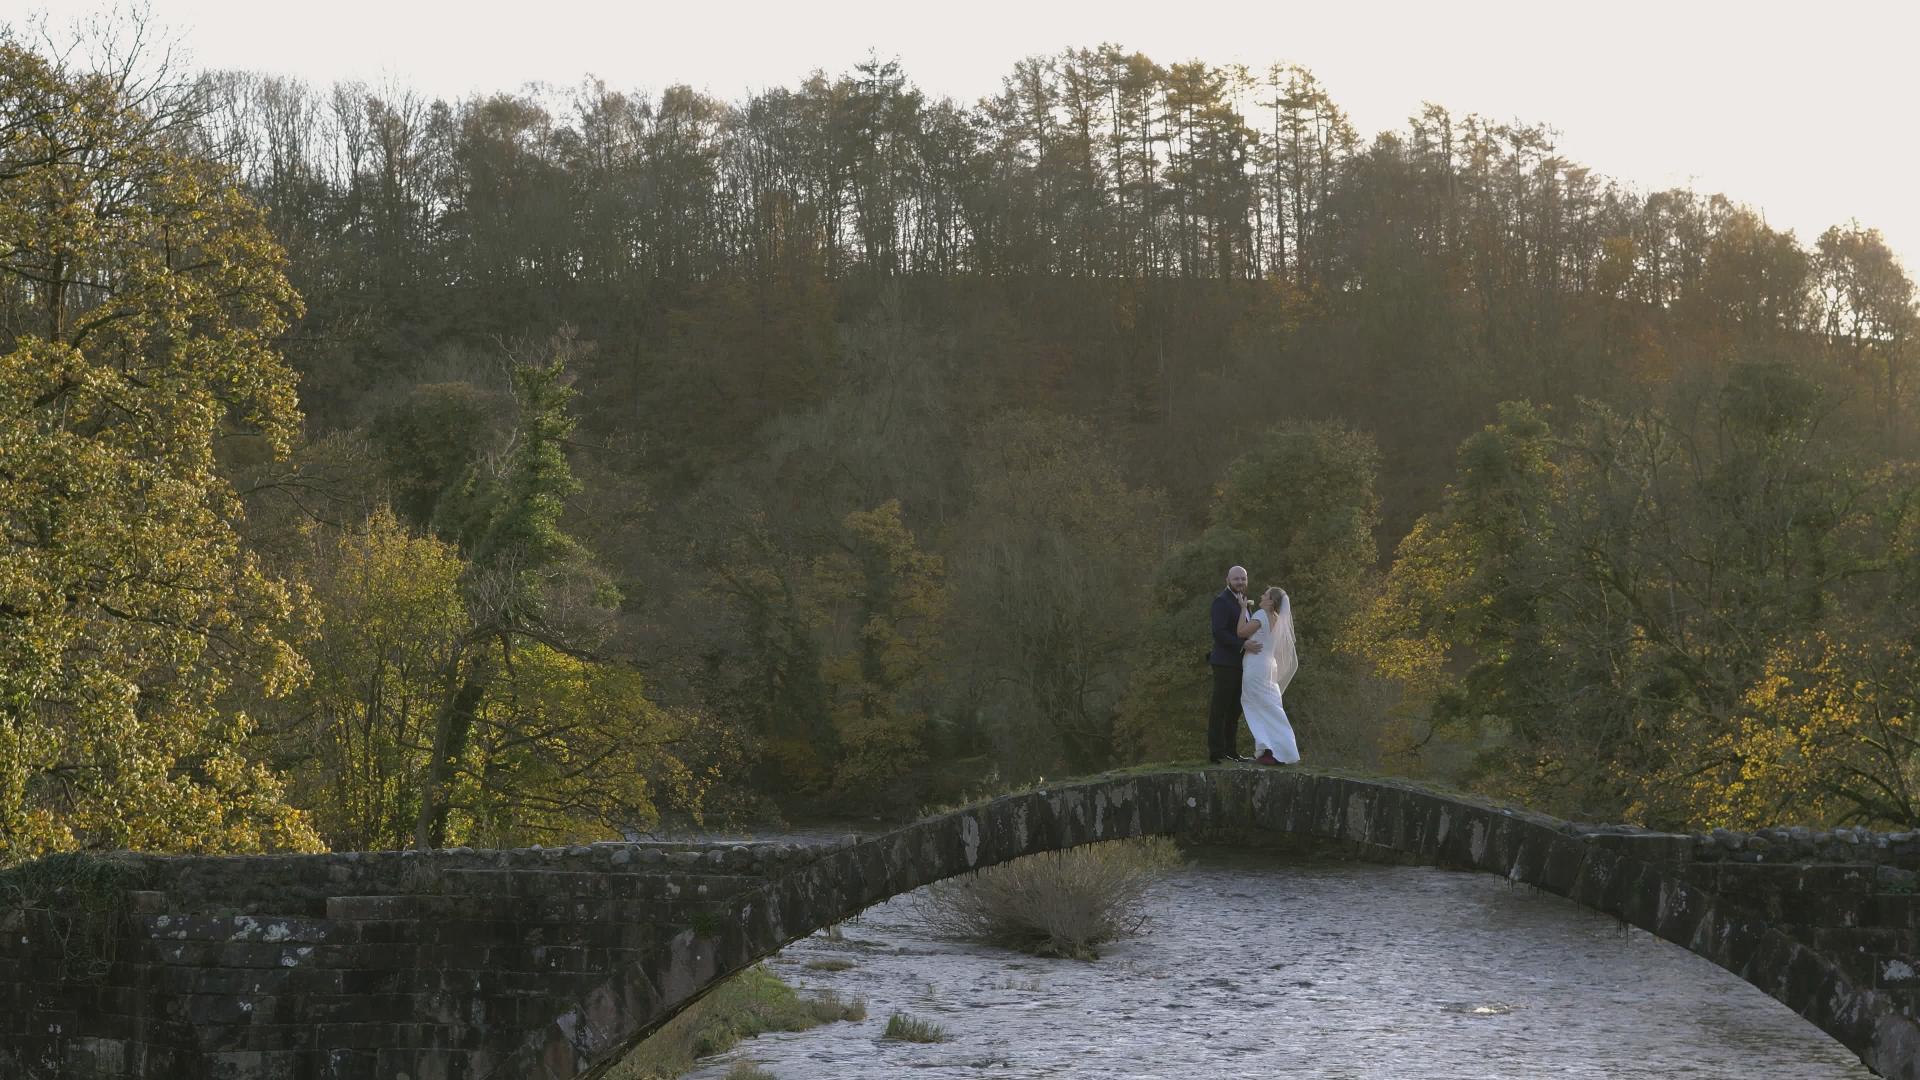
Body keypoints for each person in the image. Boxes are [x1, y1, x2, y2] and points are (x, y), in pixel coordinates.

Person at [1237, 586, 1300, 766]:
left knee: (1254, 704)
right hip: (1269, 665)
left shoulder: (1261, 614)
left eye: (1265, 595)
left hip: (1256, 665)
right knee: (1269, 705)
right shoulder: (1278, 619)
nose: (1261, 596)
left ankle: (1270, 749)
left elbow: (1241, 632)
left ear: (1271, 601)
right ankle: (1271, 748)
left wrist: (1242, 609)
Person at [1207, 566, 1262, 763]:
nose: (1240, 582)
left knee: (1235, 710)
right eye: (1236, 579)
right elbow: (1219, 632)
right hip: (1224, 663)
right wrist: (1243, 644)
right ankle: (1216, 752)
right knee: (1219, 708)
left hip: (1242, 664)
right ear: (1227, 580)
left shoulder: (1244, 603)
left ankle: (1231, 751)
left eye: (1243, 578)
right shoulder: (1221, 602)